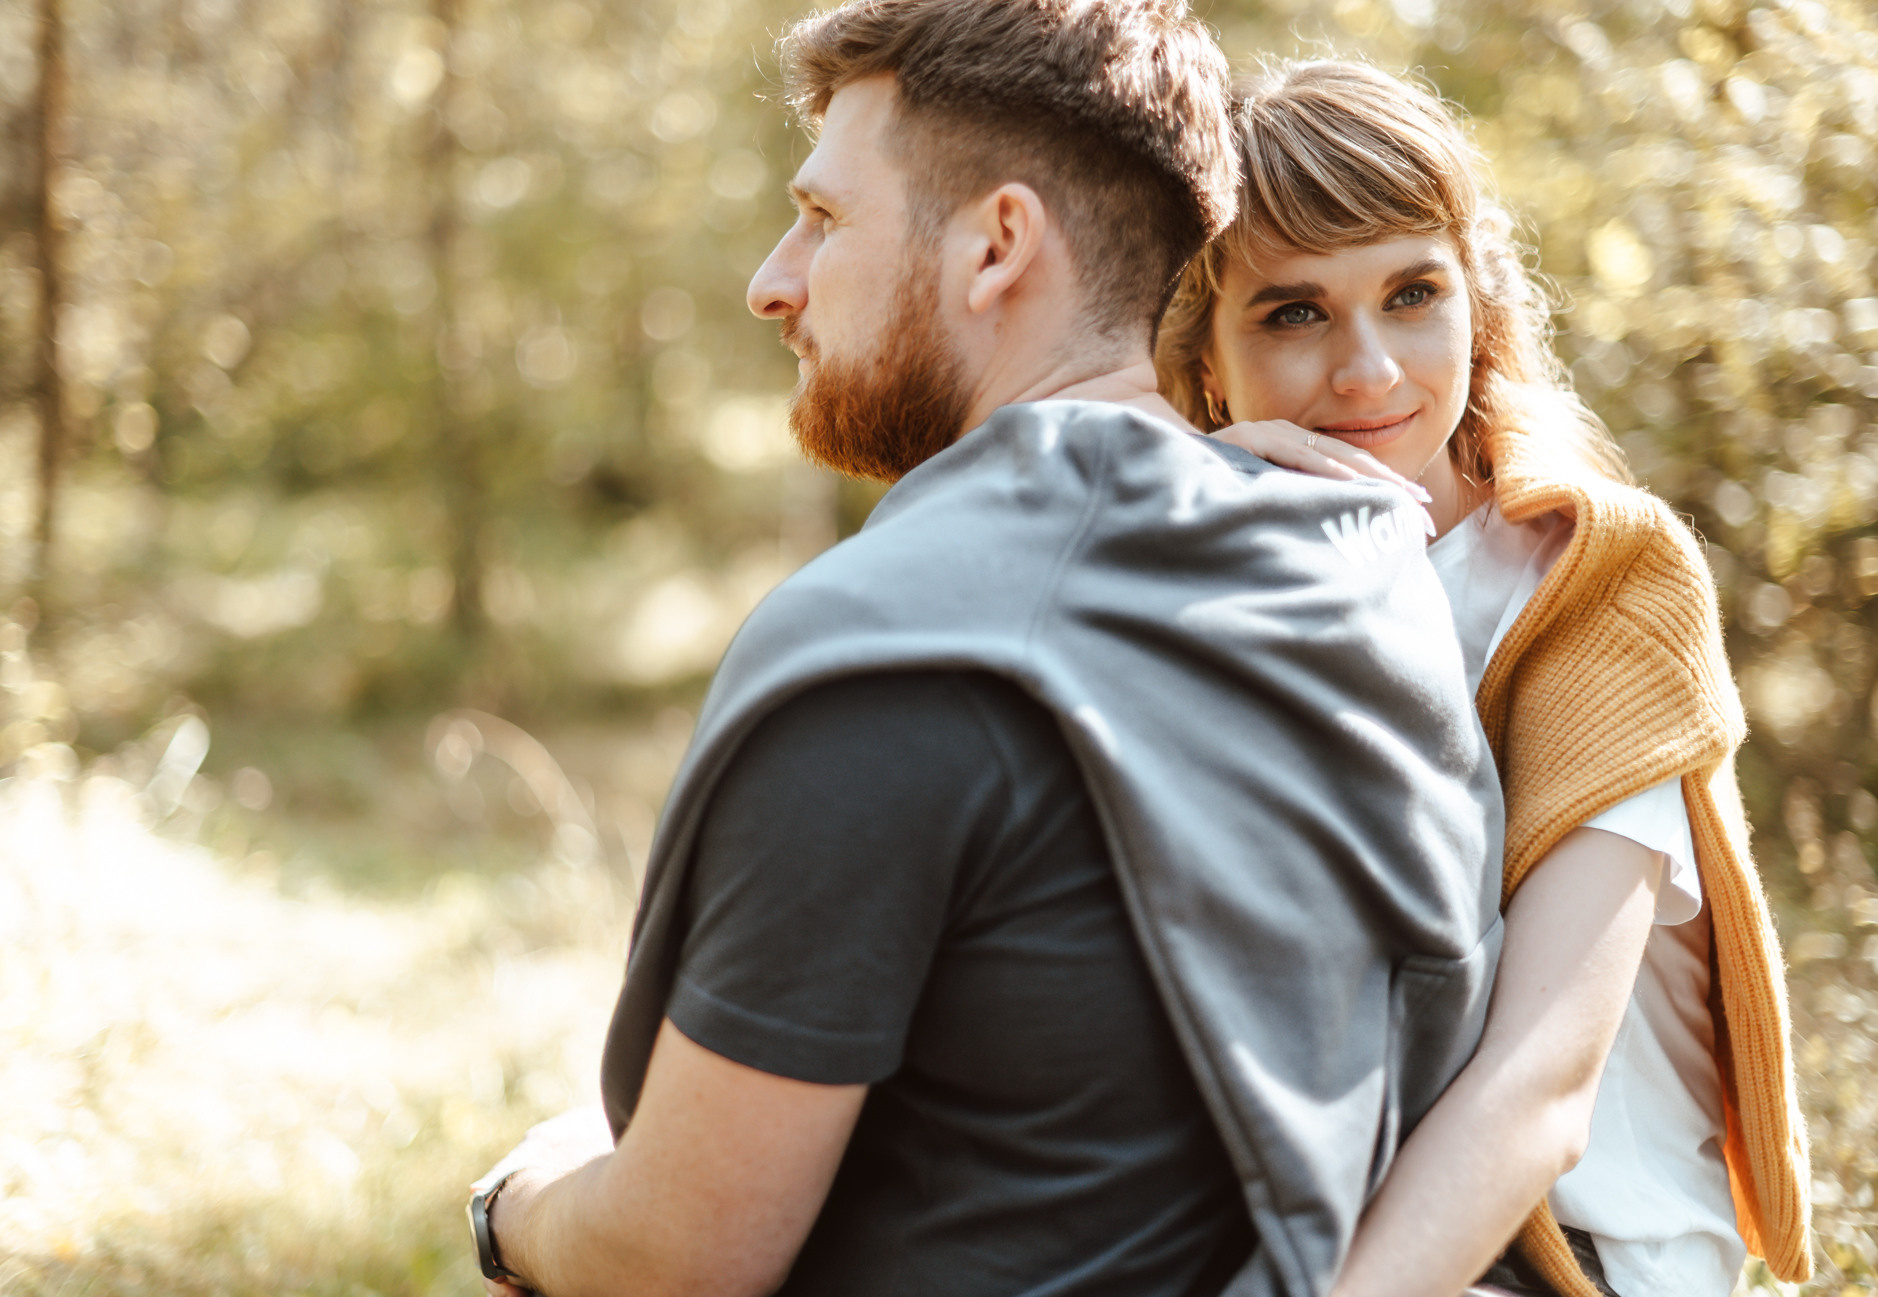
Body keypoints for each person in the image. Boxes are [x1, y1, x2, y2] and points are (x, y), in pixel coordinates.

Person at [466, 6, 1505, 1297]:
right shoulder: (1370, 581)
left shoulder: (886, 652)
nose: (773, 279)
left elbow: (680, 1256)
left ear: (997, 243)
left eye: (827, 218)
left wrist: (513, 1203)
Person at [1155, 59, 1813, 1297]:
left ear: (1477, 302)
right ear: (1204, 364)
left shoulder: (1590, 579)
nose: (1368, 373)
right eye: (1292, 313)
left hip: (1584, 1258)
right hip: (1321, 1228)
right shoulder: (1182, 585)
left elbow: (1540, 1090)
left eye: (1413, 295)